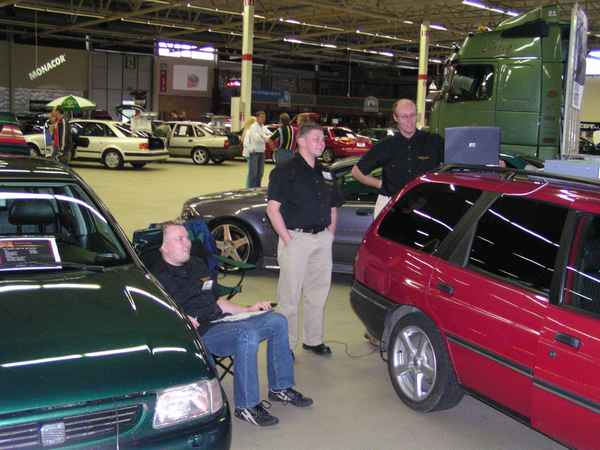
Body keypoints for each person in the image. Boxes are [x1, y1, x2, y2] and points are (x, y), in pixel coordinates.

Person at [152, 223, 313, 427]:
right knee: (247, 334)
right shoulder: (155, 278)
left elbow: (217, 301)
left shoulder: (197, 264)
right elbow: (157, 315)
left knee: (277, 321)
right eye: (179, 239)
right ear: (164, 247)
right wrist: (181, 319)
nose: (187, 243)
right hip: (199, 333)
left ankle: (280, 387)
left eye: (187, 238)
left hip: (222, 320)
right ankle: (247, 406)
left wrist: (248, 309)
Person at [266, 121, 344, 356]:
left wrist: (330, 235)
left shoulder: (326, 172)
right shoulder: (284, 171)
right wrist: (288, 240)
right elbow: (272, 209)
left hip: (322, 239)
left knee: (317, 294)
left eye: (322, 140)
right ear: (300, 141)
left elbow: (333, 206)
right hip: (295, 239)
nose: (321, 144)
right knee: (289, 297)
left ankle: (313, 340)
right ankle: (286, 345)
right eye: (316, 139)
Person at [351, 98, 444, 218]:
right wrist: (381, 185)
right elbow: (356, 172)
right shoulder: (385, 146)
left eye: (412, 115)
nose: (409, 120)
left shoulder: (434, 141)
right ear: (396, 118)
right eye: (404, 116)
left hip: (425, 207)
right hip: (392, 205)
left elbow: (454, 166)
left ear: (417, 115)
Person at [243, 111, 271, 188]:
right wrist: (266, 138)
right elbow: (257, 139)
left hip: (262, 152)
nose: (263, 119)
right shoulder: (253, 127)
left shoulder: (263, 127)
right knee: (253, 174)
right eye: (262, 117)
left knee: (260, 173)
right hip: (254, 152)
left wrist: (263, 136)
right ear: (257, 118)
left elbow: (271, 135)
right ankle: (251, 190)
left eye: (264, 117)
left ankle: (257, 189)